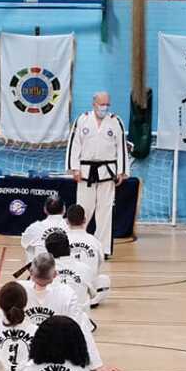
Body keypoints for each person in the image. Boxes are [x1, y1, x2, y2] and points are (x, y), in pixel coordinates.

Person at [67, 90, 129, 258]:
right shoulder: (82, 119)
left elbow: (121, 148)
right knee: (82, 210)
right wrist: (74, 168)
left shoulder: (115, 121)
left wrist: (122, 172)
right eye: (102, 104)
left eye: (107, 104)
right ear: (94, 104)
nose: (105, 107)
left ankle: (103, 250)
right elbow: (74, 145)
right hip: (85, 171)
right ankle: (78, 246)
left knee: (105, 211)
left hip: (107, 172)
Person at [61, 203, 110, 305]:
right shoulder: (95, 241)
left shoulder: (61, 240)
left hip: (64, 284)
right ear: (84, 220)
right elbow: (100, 262)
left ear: (67, 221)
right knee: (104, 279)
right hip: (86, 287)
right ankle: (91, 301)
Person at [21, 195, 68, 262]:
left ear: (45, 209)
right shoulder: (71, 228)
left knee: (30, 248)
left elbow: (24, 243)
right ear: (64, 209)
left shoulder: (34, 228)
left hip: (42, 269)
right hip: (67, 269)